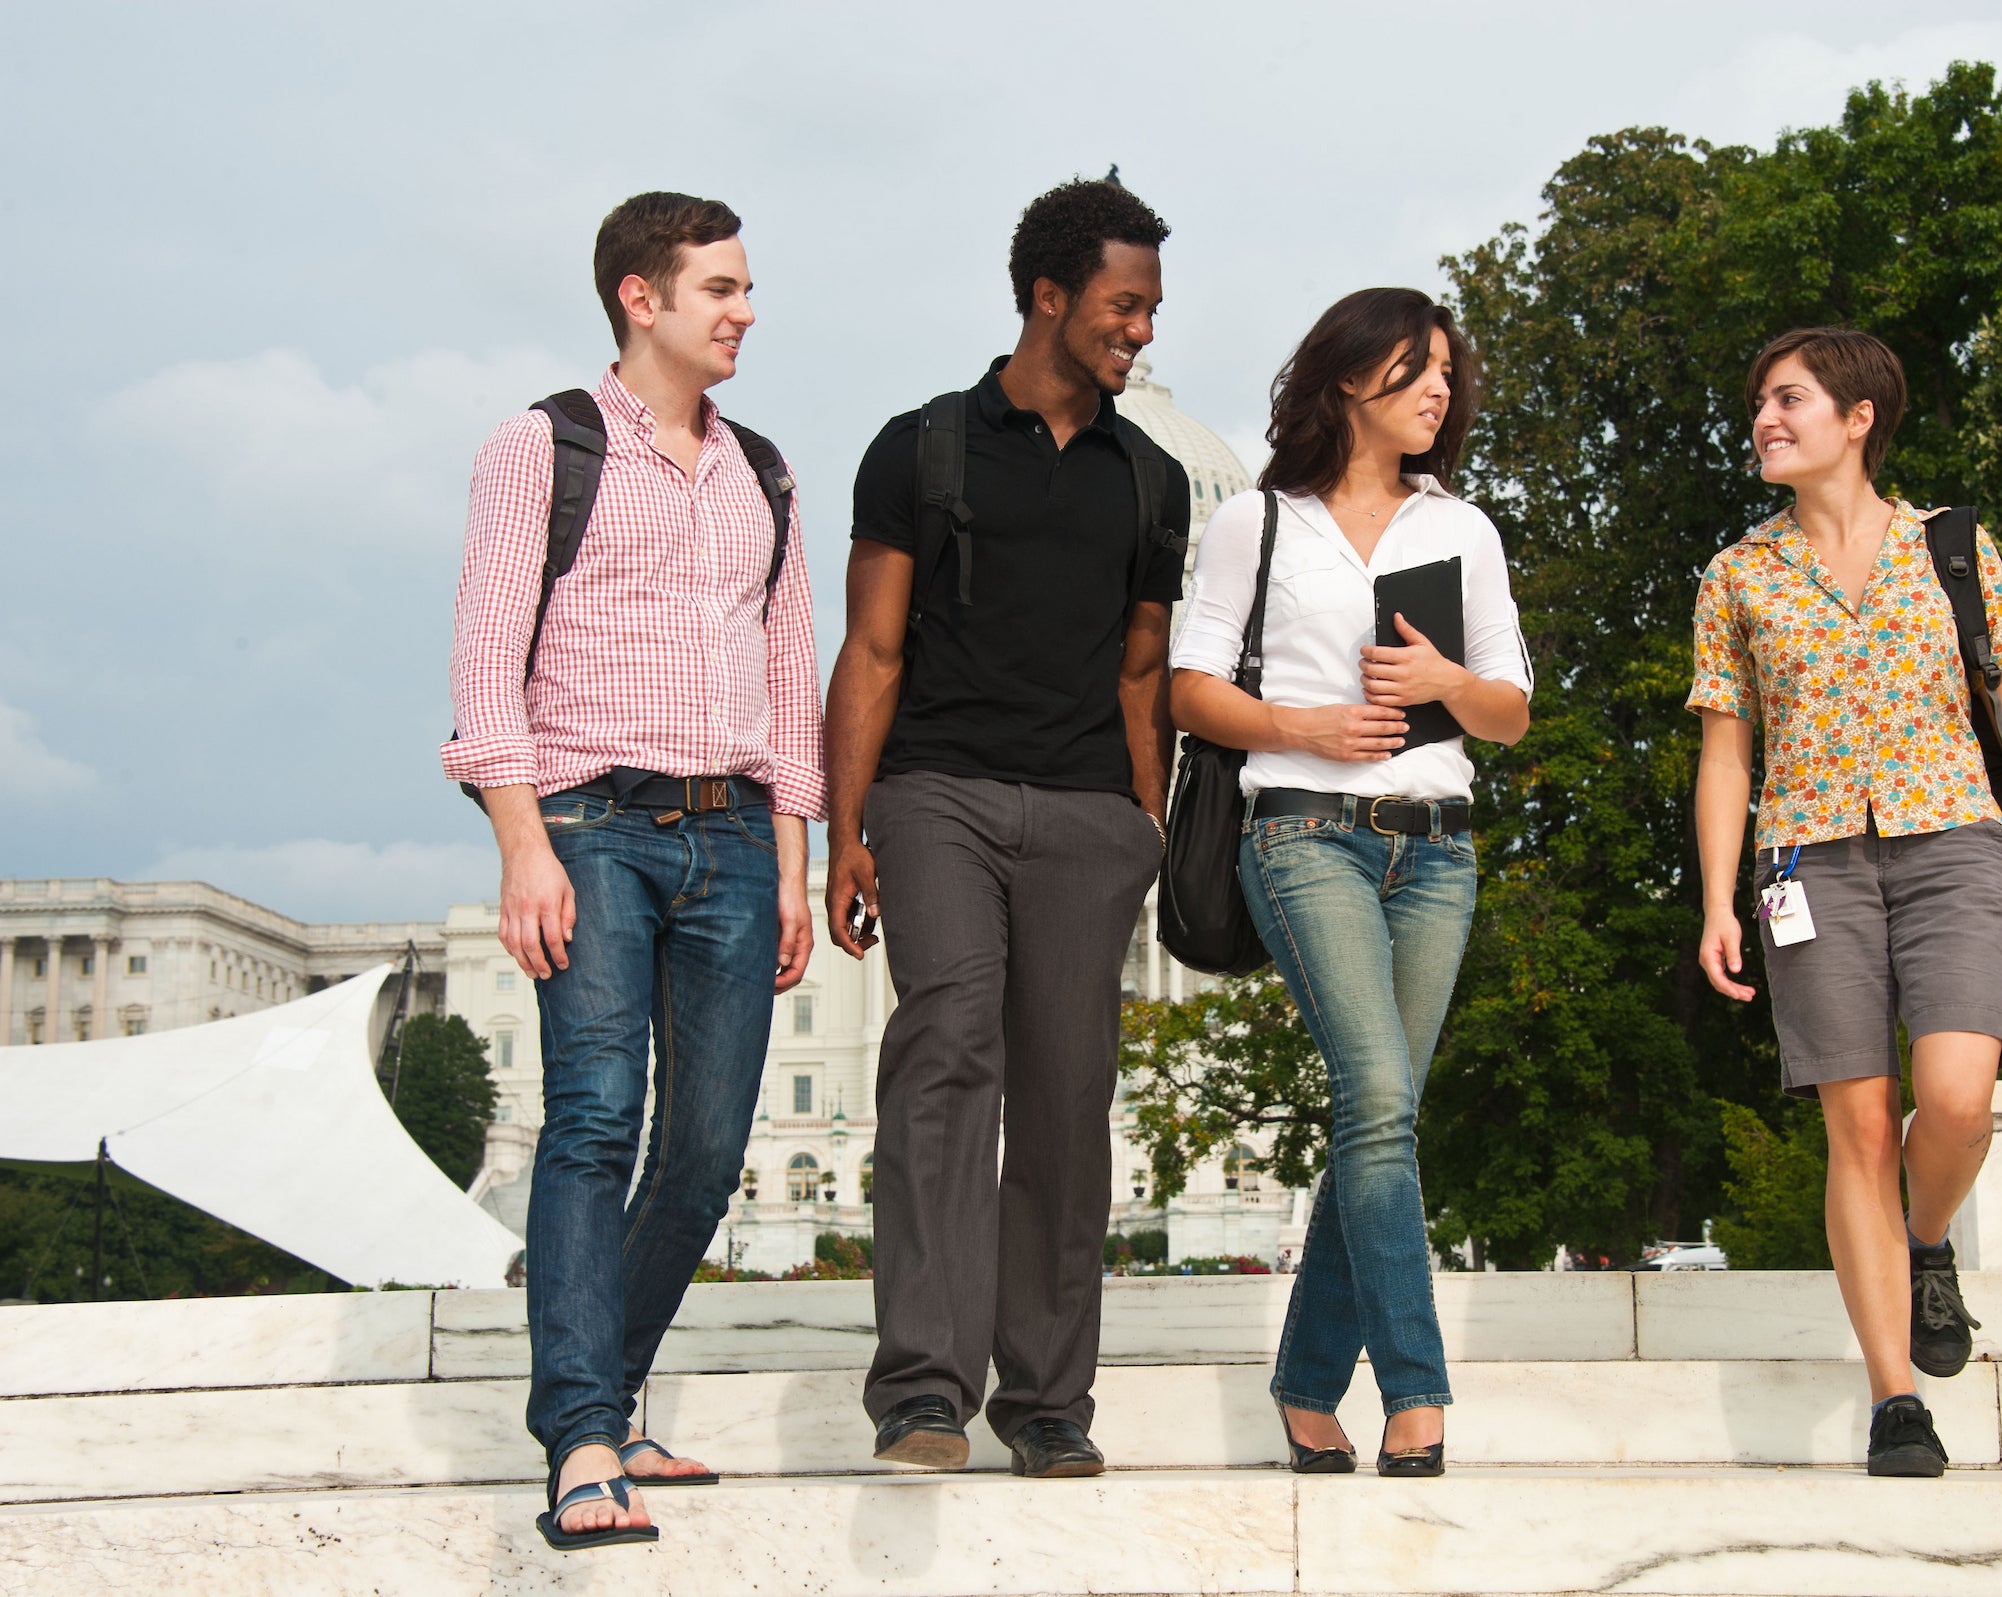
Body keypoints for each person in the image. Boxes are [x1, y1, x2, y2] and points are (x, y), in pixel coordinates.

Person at [443, 192, 822, 1547]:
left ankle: (609, 1390)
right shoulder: (541, 448)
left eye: (747, 285)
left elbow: (788, 687)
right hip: (589, 826)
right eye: (720, 286)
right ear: (638, 297)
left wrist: (791, 863)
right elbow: (488, 659)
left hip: (731, 835)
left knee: (710, 1151)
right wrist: (521, 843)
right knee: (595, 1119)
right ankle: (584, 1437)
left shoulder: (764, 472)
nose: (745, 309)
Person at [1687, 326, 2002, 1478]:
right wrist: (1719, 897)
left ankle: (1927, 1240)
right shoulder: (1737, 576)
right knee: (1859, 1124)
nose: (1765, 420)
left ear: (1858, 417)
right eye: (1761, 403)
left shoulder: (1954, 548)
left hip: (1956, 845)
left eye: (1789, 399)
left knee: (1959, 1098)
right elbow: (1728, 751)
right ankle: (1895, 1399)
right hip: (1804, 862)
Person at [824, 178, 1186, 1480]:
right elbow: (869, 650)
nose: (1141, 329)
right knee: (945, 1056)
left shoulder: (1149, 483)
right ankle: (924, 1390)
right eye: (1122, 305)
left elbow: (1143, 674)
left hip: (1090, 816)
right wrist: (842, 831)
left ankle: (1046, 1400)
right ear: (1048, 295)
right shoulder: (918, 449)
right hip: (939, 798)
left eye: (1149, 308)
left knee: (1067, 1101)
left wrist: (1144, 828)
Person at [1168, 288, 1532, 1478]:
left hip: (1440, 846)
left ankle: (1307, 1385)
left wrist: (1441, 674)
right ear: (1345, 382)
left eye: (1447, 373)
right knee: (1376, 1098)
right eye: (1415, 369)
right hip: (1301, 833)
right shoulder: (1256, 525)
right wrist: (1306, 727)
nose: (1440, 390)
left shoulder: (1464, 531)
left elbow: (1509, 711)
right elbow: (1189, 688)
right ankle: (1419, 1394)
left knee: (1382, 1117)